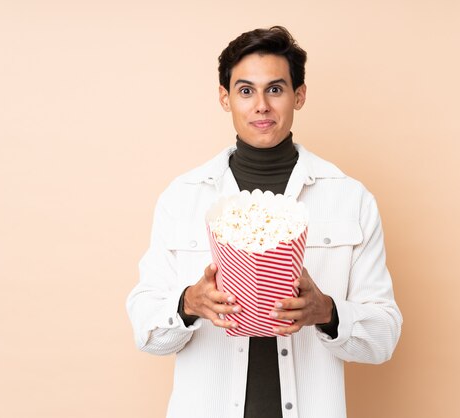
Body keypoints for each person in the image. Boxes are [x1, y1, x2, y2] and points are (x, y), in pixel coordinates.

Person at [126, 26, 402, 418]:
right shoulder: (182, 197)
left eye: (275, 89)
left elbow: (384, 336)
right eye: (245, 90)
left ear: (299, 95)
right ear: (225, 98)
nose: (261, 106)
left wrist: (326, 312)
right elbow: (146, 331)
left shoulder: (350, 199)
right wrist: (188, 303)